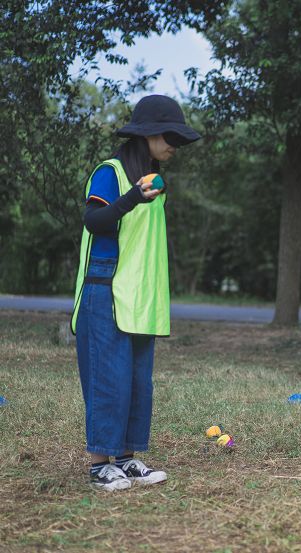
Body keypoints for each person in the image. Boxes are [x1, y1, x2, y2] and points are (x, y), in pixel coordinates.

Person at [71, 95, 201, 491]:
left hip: (140, 296)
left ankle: (126, 459)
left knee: (137, 383)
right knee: (107, 380)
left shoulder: (153, 182)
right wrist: (131, 198)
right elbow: (94, 220)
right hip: (105, 291)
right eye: (170, 137)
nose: (175, 146)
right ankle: (100, 466)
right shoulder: (110, 173)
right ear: (148, 135)